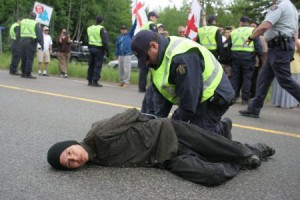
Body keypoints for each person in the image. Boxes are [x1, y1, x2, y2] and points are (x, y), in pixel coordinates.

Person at [47, 108, 275, 186]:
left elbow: (132, 114)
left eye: (69, 153)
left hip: (170, 132)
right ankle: (234, 153)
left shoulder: (98, 134)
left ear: (72, 144)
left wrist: (157, 126)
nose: (74, 159)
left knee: (224, 149)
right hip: (164, 158)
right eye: (69, 164)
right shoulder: (96, 159)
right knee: (210, 175)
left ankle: (252, 150)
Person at [131, 30, 235, 138]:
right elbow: (160, 95)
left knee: (197, 139)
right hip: (197, 96)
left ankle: (223, 128)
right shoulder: (156, 61)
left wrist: (172, 125)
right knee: (180, 134)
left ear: (154, 46)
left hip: (215, 96)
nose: (146, 62)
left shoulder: (182, 58)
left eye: (146, 57)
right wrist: (158, 125)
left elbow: (188, 103)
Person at [239, 0, 300, 118]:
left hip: (279, 48)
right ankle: (254, 109)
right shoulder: (292, 7)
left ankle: (254, 108)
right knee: (264, 78)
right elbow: (295, 31)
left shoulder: (280, 6)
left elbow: (266, 25)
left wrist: (251, 37)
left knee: (285, 80)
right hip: (281, 48)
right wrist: (291, 48)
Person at [229, 16, 262, 104]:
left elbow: (229, 45)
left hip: (235, 57)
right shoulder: (252, 30)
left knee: (235, 77)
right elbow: (258, 45)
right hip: (248, 57)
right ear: (248, 22)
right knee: (247, 77)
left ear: (241, 22)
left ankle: (233, 97)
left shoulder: (234, 31)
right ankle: (245, 99)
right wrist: (260, 57)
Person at [271, 38, 300, 108]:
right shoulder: (295, 41)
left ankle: (281, 102)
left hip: (285, 66)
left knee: (282, 85)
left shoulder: (283, 40)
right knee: (291, 86)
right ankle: (289, 103)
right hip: (292, 67)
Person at [138, 11, 159, 93]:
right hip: (148, 49)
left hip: (142, 48)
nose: (156, 19)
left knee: (143, 69)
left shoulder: (144, 25)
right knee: (153, 68)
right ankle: (152, 88)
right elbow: (155, 36)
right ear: (151, 17)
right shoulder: (151, 24)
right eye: (155, 17)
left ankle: (141, 87)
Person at [19, 12, 43, 79]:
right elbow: (39, 35)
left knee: (23, 57)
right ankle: (28, 73)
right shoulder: (35, 23)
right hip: (31, 42)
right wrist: (42, 44)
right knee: (29, 58)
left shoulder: (23, 21)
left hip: (22, 41)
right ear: (35, 17)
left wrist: (18, 40)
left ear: (29, 16)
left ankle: (23, 73)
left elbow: (18, 31)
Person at [87, 16, 109, 87]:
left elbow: (88, 38)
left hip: (91, 48)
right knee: (98, 65)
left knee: (91, 64)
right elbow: (105, 41)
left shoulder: (89, 28)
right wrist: (107, 50)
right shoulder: (102, 29)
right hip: (99, 49)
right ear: (102, 21)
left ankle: (89, 80)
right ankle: (95, 81)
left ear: (95, 20)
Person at [115, 20, 137, 87]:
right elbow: (117, 46)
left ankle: (126, 82)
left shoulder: (129, 35)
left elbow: (133, 28)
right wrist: (116, 53)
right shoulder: (119, 37)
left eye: (125, 29)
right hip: (120, 54)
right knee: (120, 68)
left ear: (126, 30)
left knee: (126, 68)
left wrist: (135, 21)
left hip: (127, 54)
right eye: (122, 29)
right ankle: (121, 81)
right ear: (120, 30)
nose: (123, 30)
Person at [250, 21, 268, 98]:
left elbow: (264, 52)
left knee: (254, 78)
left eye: (254, 26)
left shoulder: (261, 38)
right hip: (249, 60)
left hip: (256, 62)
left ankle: (253, 94)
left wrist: (263, 63)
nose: (252, 28)